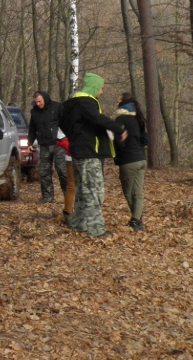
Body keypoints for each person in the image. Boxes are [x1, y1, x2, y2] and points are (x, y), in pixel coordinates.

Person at [59, 73, 126, 239]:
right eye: (101, 88)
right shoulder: (87, 103)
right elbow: (99, 119)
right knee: (94, 191)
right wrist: (118, 129)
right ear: (94, 87)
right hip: (89, 153)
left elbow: (62, 123)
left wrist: (74, 137)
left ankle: (79, 224)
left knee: (82, 191)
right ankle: (96, 228)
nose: (101, 92)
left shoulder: (70, 104)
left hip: (77, 152)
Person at [113, 92, 148, 231]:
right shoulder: (138, 118)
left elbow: (117, 140)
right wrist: (136, 147)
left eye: (118, 100)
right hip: (141, 159)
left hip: (128, 161)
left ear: (123, 103)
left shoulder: (120, 119)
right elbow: (145, 139)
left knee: (128, 193)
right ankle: (137, 220)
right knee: (138, 193)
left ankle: (135, 220)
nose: (116, 102)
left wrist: (123, 148)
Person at [28, 91, 67, 206]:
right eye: (36, 102)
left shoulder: (57, 107)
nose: (38, 104)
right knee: (44, 172)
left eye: (40, 101)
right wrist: (30, 142)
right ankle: (48, 196)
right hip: (44, 145)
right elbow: (32, 128)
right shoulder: (34, 112)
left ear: (45, 99)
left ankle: (68, 195)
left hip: (59, 144)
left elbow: (67, 123)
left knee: (62, 171)